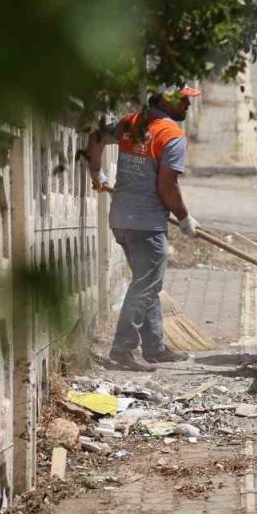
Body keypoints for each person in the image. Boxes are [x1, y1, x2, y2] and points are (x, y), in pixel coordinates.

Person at [87, 84, 202, 370]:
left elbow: (96, 137)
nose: (188, 105)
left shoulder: (131, 123)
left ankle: (155, 347)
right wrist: (184, 217)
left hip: (121, 220)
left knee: (145, 281)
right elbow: (167, 185)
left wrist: (95, 171)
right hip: (147, 223)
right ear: (166, 99)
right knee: (147, 286)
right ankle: (123, 350)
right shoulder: (171, 135)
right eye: (183, 100)